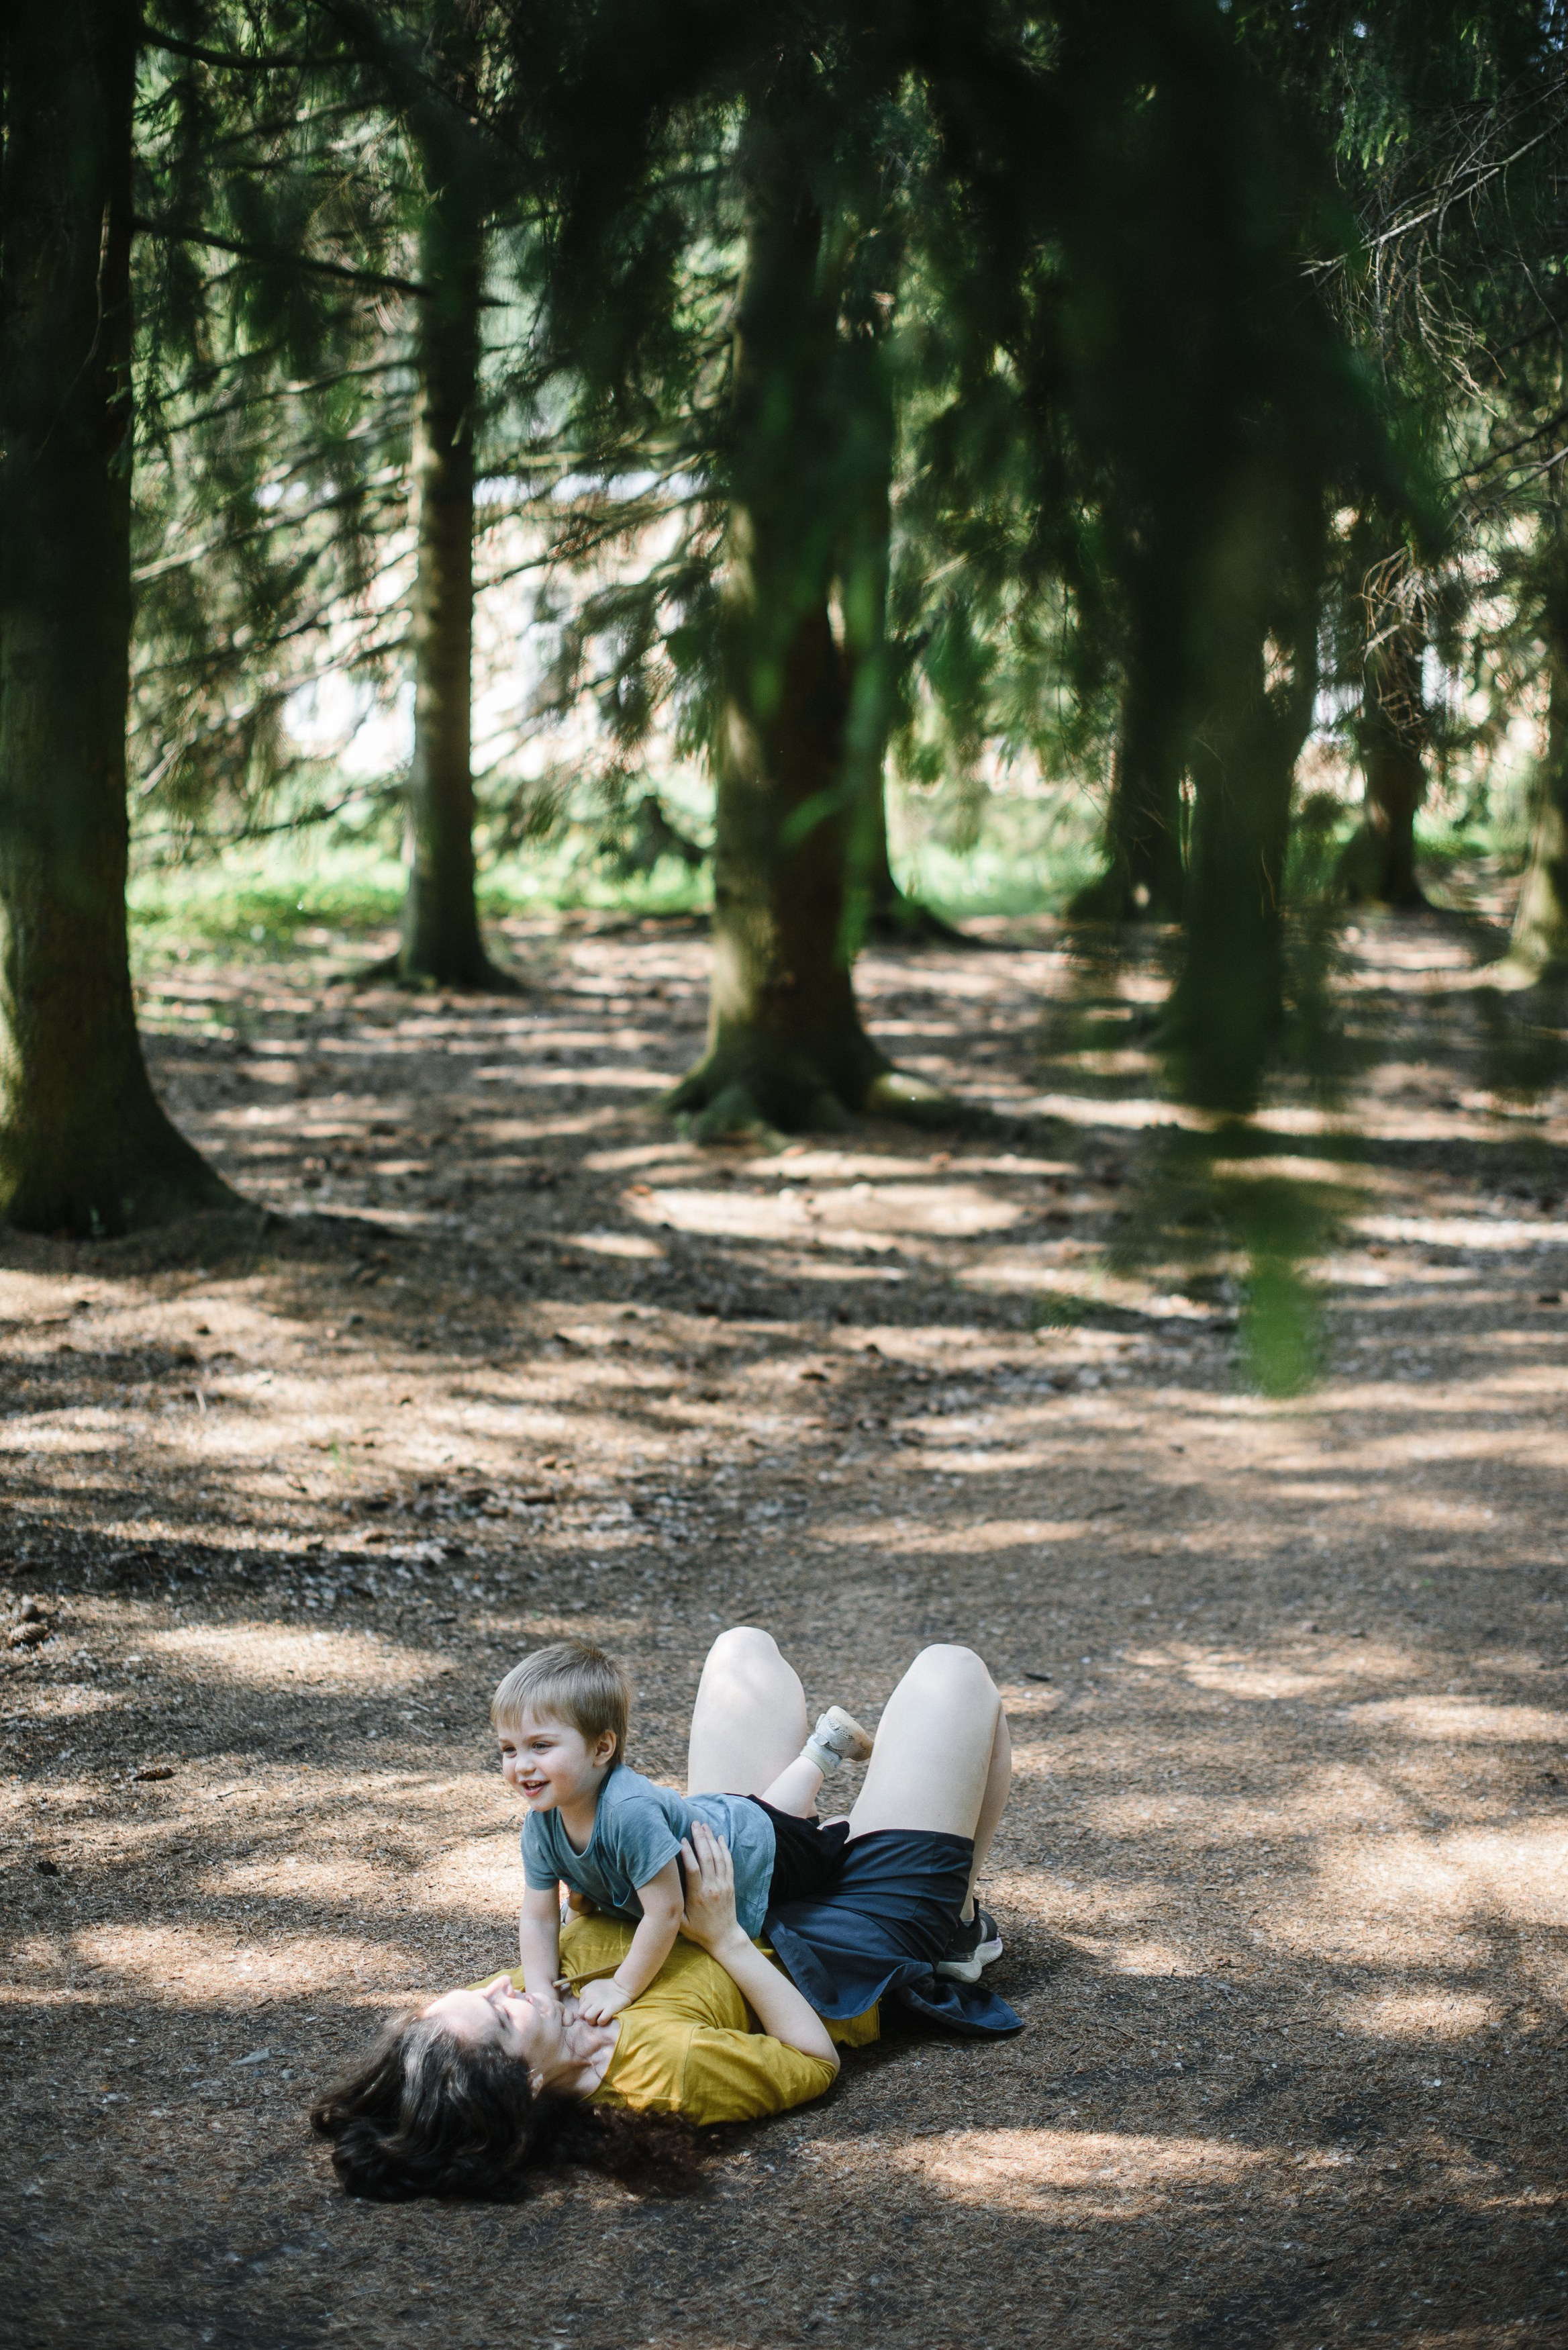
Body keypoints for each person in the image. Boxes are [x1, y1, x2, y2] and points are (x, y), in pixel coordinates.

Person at [311, 1631, 1018, 2201]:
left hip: (726, 1869)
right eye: (499, 2014)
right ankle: (949, 1923)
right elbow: (813, 2060)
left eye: (481, 1989)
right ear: (523, 2084)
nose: (504, 1987)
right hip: (843, 1942)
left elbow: (582, 1905)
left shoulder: (536, 1996)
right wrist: (725, 1939)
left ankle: (826, 1826)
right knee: (952, 1672)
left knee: (741, 1651)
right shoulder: (664, 2069)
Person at [493, 1638, 875, 2022]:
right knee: (772, 1813)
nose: (521, 1765)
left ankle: (825, 1764)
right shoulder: (541, 1823)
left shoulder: (628, 1815)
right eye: (509, 1749)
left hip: (755, 1855)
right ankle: (825, 1747)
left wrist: (622, 1986)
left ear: (601, 1748)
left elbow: (666, 1911)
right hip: (721, 1822)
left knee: (813, 1847)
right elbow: (538, 1918)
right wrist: (542, 1993)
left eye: (540, 1746)